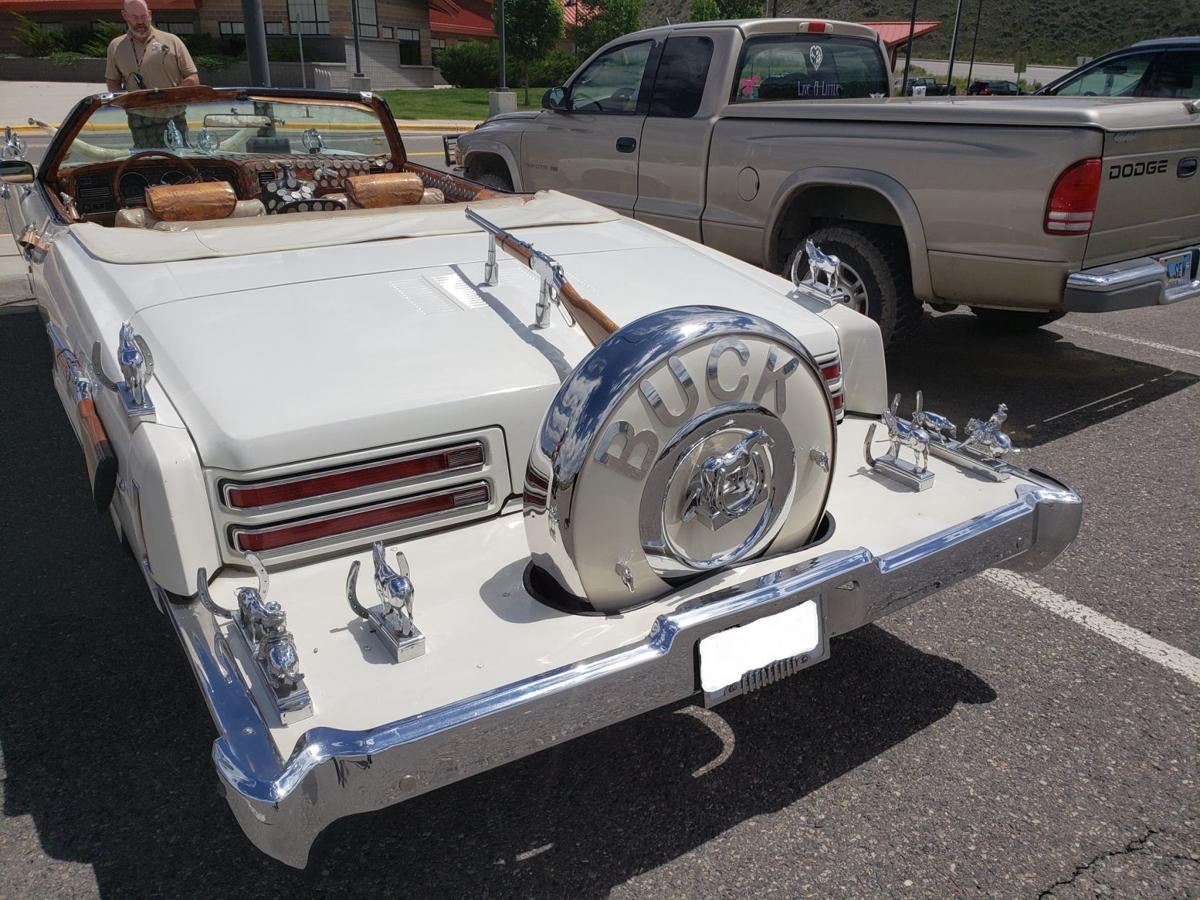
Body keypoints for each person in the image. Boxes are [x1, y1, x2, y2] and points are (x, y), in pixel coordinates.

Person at [105, 0, 199, 147]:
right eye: (135, 17)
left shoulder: (172, 41)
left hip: (174, 115)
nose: (140, 21)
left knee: (181, 161)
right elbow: (112, 81)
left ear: (150, 14)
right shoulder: (115, 47)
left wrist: (171, 97)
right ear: (125, 15)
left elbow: (193, 77)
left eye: (143, 16)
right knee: (148, 163)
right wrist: (126, 102)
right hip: (140, 118)